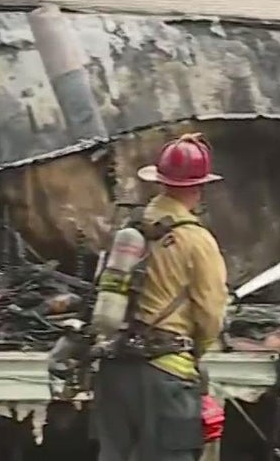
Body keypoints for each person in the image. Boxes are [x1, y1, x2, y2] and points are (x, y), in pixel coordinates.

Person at [93, 133, 230, 461]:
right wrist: (196, 352)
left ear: (160, 181)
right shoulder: (197, 240)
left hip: (114, 371)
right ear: (199, 188)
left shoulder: (131, 231)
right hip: (165, 378)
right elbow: (211, 315)